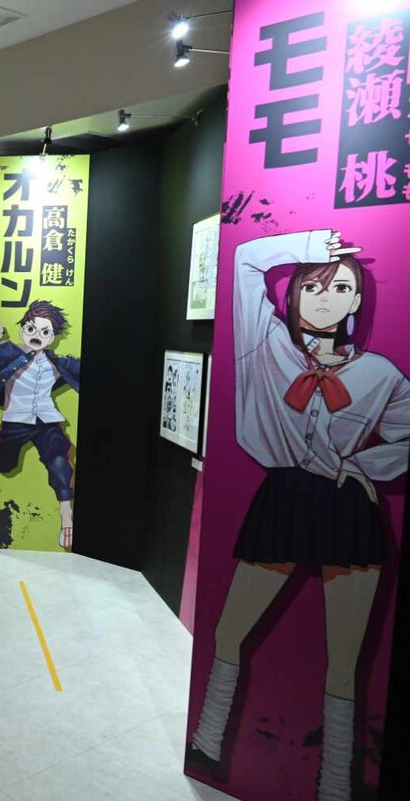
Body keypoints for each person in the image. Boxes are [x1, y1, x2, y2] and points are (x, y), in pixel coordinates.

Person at [187, 230, 409, 801]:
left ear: (356, 301)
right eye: (313, 286)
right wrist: (311, 245)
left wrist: (364, 465)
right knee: (229, 632)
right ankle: (206, 743)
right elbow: (245, 259)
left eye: (341, 288)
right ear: (292, 296)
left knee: (344, 660)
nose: (327, 297)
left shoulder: (380, 374)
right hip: (283, 498)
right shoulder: (263, 343)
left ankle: (334, 785)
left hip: (348, 509)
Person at [0, 300, 80, 548]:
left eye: (45, 332)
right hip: (15, 421)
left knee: (59, 460)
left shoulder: (58, 363)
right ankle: (3, 457)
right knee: (5, 465)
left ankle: (66, 516)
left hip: (46, 420)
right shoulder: (9, 353)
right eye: (31, 329)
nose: (37, 335)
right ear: (22, 330)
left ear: (52, 337)